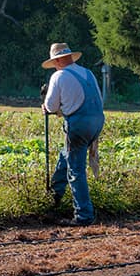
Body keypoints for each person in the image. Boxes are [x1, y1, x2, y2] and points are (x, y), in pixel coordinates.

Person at [41, 42, 104, 226]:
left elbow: (51, 106)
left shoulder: (58, 76)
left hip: (78, 125)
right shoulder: (88, 73)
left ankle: (84, 215)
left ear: (58, 60)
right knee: (66, 155)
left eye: (54, 62)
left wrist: (45, 105)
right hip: (97, 122)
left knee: (75, 170)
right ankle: (54, 198)